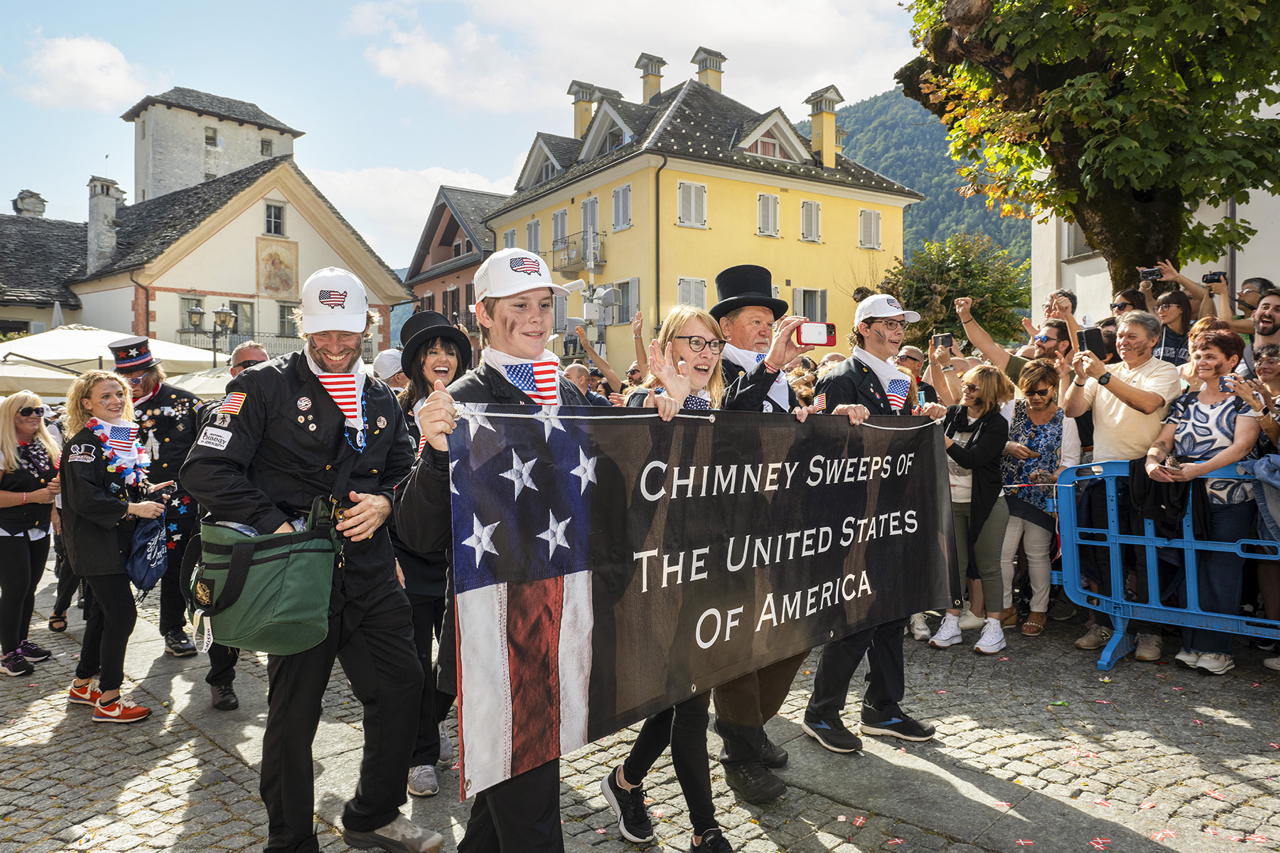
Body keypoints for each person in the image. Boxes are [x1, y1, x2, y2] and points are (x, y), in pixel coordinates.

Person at [183, 268, 440, 853]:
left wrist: (385, 503)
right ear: (303, 325)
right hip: (294, 575)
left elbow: (406, 472)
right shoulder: (262, 386)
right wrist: (276, 523)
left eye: (346, 335)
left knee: (403, 688)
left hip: (370, 571)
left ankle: (373, 814)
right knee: (295, 713)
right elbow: (203, 469)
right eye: (322, 334)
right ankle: (291, 839)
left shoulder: (379, 395)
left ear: (368, 329)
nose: (333, 346)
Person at [395, 248, 586, 852]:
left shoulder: (573, 396)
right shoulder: (462, 399)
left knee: (503, 802)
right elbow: (418, 534)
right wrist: (433, 454)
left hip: (559, 625)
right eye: (519, 306)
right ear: (482, 314)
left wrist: (674, 401)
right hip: (496, 638)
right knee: (531, 816)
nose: (536, 318)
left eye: (544, 304)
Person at [602, 305, 737, 852]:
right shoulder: (645, 402)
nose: (705, 354)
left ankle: (624, 781)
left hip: (706, 573)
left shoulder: (717, 407)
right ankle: (707, 829)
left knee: (677, 699)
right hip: (656, 581)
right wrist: (671, 411)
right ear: (667, 347)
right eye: (693, 342)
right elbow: (639, 494)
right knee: (687, 700)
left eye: (712, 345)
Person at [706, 264, 835, 802]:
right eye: (755, 320)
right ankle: (740, 751)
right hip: (732, 531)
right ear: (726, 328)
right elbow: (727, 417)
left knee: (792, 633)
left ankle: (748, 725)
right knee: (740, 640)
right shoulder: (718, 370)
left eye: (770, 320)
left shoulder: (781, 377)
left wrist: (823, 423)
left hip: (783, 526)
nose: (766, 329)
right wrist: (769, 366)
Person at [802, 292, 944, 755]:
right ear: (863, 327)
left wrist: (920, 418)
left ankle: (883, 708)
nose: (899, 328)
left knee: (893, 614)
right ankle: (821, 712)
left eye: (902, 321)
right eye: (888, 322)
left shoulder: (901, 379)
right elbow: (819, 447)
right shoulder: (841, 376)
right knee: (856, 619)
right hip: (853, 516)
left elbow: (895, 436)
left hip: (894, 513)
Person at [1060, 311, 1183, 661]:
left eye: (1132, 336)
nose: (1123, 341)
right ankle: (1105, 623)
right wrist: (1081, 378)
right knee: (1103, 554)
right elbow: (1070, 410)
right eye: (1120, 336)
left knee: (1145, 555)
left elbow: (1147, 405)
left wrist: (1101, 375)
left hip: (1144, 475)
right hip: (1102, 475)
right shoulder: (1106, 373)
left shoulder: (1164, 371)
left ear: (1153, 340)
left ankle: (1148, 631)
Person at [1145, 331, 1259, 675]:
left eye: (1210, 355)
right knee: (1191, 568)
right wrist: (1152, 462)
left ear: (1232, 360)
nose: (1202, 362)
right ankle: (1192, 643)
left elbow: (1241, 446)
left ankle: (1218, 649)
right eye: (1198, 355)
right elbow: (1163, 441)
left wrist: (1199, 469)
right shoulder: (1184, 401)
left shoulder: (1244, 399)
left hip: (1231, 498)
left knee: (1221, 571)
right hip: (1189, 499)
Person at [391, 310, 471, 799]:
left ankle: (433, 721)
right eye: (432, 352)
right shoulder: (393, 412)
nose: (442, 359)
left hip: (463, 554)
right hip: (410, 555)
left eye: (450, 350)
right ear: (416, 363)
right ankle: (420, 753)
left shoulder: (475, 404)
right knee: (418, 661)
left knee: (458, 659)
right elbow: (384, 486)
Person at [61, 370, 167, 723]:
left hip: (113, 542)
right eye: (105, 396)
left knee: (103, 615)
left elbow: (116, 483)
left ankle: (81, 684)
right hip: (95, 545)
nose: (116, 401)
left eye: (119, 394)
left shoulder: (118, 436)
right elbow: (84, 498)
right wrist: (134, 507)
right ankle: (109, 700)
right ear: (86, 403)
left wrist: (145, 490)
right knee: (122, 615)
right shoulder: (84, 443)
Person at [184, 339, 269, 711]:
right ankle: (221, 678)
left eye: (263, 364)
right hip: (226, 522)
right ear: (232, 371)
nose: (254, 369)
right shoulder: (219, 410)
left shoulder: (277, 407)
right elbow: (205, 470)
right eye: (246, 364)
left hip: (269, 522)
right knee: (219, 602)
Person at [107, 336, 199, 658]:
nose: (131, 385)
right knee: (117, 565)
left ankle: (173, 628)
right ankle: (105, 627)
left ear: (153, 372)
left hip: (178, 504)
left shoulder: (186, 403)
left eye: (137, 378)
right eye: (125, 379)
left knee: (175, 567)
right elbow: (113, 461)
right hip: (129, 505)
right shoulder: (117, 412)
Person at [926, 365, 1016, 653]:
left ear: (987, 392)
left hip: (986, 504)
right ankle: (951, 621)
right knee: (955, 566)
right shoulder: (953, 414)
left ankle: (994, 626)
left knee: (989, 566)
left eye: (972, 387)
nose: (965, 389)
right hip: (951, 502)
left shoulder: (997, 424)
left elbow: (972, 460)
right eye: (965, 384)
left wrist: (944, 440)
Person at [998, 360, 1081, 637]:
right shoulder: (1011, 409)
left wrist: (1052, 475)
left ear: (1053, 390)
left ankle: (1038, 609)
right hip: (1009, 490)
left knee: (1036, 554)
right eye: (1029, 392)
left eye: (1041, 392)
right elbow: (992, 439)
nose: (1034, 398)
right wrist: (1007, 446)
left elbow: (1070, 461)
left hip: (1042, 495)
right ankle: (1006, 607)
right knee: (1003, 554)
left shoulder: (1065, 418)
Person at [0, 392, 60, 676]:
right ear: (11, 415)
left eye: (40, 410)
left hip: (38, 526)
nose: (35, 416)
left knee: (30, 587)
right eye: (27, 411)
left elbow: (49, 491)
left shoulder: (43, 446)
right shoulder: (2, 448)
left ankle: (21, 642)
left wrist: (54, 512)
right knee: (15, 588)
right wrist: (30, 497)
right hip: (7, 527)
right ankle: (8, 652)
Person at [955, 297, 1072, 385]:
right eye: (1036, 338)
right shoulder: (1027, 369)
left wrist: (1068, 316)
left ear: (1063, 344)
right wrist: (965, 316)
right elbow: (988, 347)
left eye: (1043, 339)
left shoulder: (1078, 376)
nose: (1037, 342)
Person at [1153, 290, 1193, 366]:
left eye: (1165, 307)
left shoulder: (1195, 334)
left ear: (1181, 308)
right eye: (1157, 307)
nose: (1160, 311)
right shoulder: (1154, 334)